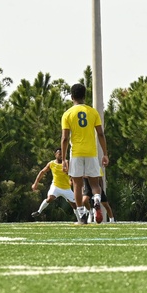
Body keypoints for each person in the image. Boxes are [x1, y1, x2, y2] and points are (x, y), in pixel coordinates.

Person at [60, 83, 110, 220]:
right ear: (84, 96)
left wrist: (64, 159)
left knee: (77, 184)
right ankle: (97, 200)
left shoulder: (68, 114)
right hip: (91, 152)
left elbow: (65, 138)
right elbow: (100, 134)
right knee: (94, 184)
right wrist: (105, 154)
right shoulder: (93, 112)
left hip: (76, 153)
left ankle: (81, 214)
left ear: (72, 97)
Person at [30, 147, 87, 224]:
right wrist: (35, 183)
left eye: (63, 154)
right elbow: (42, 172)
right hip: (56, 186)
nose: (61, 156)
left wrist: (70, 179)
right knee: (50, 198)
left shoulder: (67, 162)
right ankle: (39, 211)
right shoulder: (51, 163)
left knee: (74, 204)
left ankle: (80, 221)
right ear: (55, 154)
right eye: (60, 154)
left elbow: (73, 174)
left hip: (66, 188)